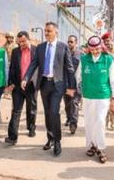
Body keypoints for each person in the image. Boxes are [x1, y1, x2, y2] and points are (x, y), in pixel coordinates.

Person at [22, 22, 76, 156]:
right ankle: (50, 138)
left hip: (57, 84)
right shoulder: (40, 47)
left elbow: (69, 68)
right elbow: (34, 64)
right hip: (44, 84)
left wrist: (72, 87)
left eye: (49, 31)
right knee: (47, 112)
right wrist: (26, 78)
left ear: (56, 32)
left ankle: (57, 141)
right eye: (45, 31)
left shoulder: (63, 47)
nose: (46, 33)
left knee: (54, 111)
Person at [76, 36, 114, 163]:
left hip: (103, 96)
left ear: (101, 47)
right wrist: (79, 91)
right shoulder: (84, 59)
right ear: (89, 49)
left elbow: (113, 79)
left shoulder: (108, 59)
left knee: (100, 121)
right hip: (88, 96)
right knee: (89, 122)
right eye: (92, 49)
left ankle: (101, 148)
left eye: (97, 49)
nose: (95, 52)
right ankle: (91, 145)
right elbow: (78, 77)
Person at [4, 31, 38, 145]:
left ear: (28, 39)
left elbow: (39, 67)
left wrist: (38, 82)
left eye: (23, 41)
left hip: (31, 85)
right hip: (18, 86)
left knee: (31, 109)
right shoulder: (15, 51)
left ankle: (31, 128)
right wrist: (10, 83)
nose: (21, 44)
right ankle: (12, 137)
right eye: (19, 42)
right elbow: (12, 68)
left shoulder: (36, 50)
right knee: (16, 110)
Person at [63, 35, 82, 135]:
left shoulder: (81, 55)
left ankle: (73, 124)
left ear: (76, 43)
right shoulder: (64, 53)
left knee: (74, 103)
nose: (69, 43)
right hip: (66, 83)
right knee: (67, 104)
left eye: (71, 42)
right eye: (68, 41)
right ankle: (69, 118)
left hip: (76, 83)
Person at [102, 32, 114, 132]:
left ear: (112, 40)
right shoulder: (102, 51)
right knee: (105, 103)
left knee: (113, 104)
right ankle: (105, 122)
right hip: (104, 80)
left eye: (108, 41)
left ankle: (113, 122)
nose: (107, 43)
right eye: (105, 41)